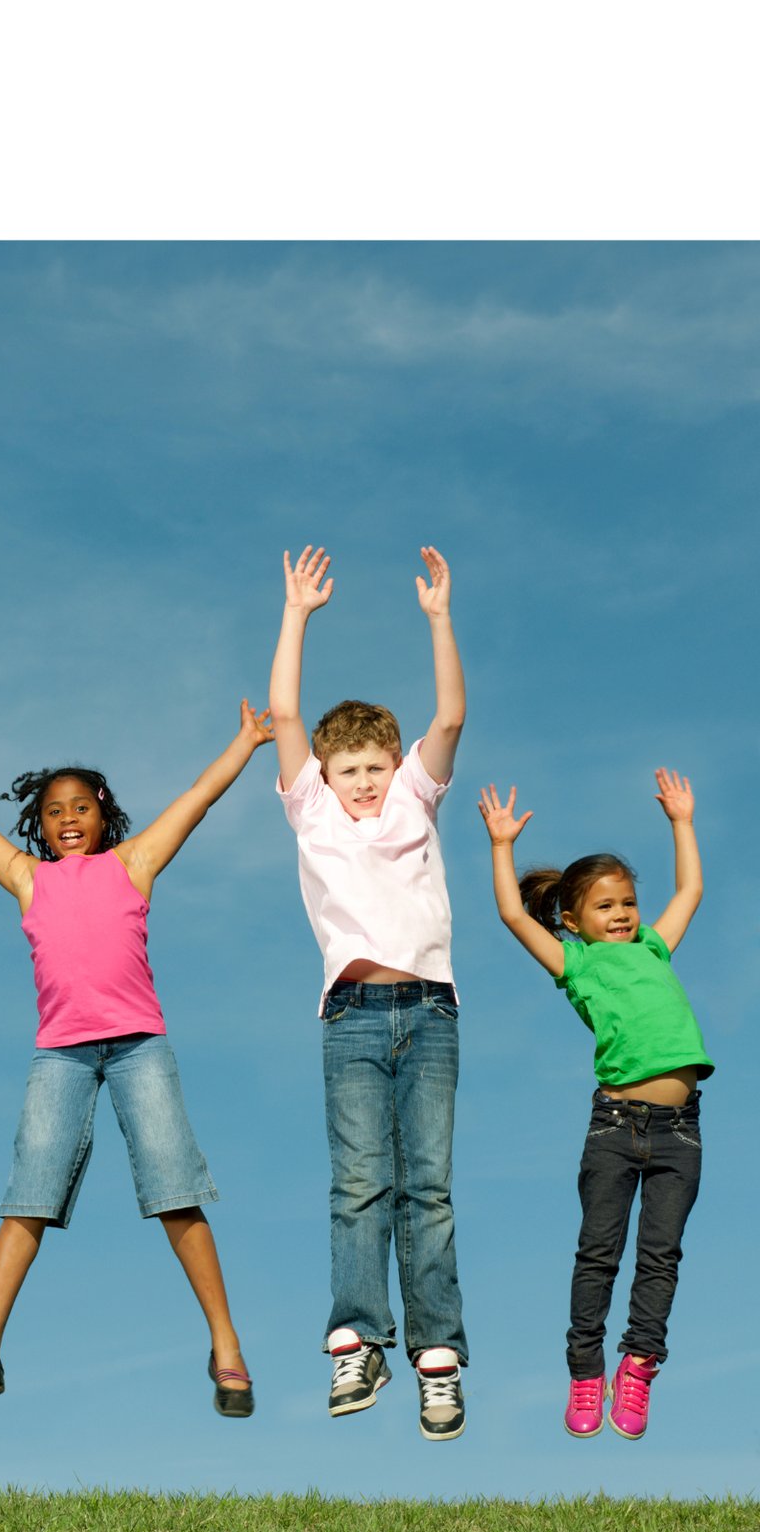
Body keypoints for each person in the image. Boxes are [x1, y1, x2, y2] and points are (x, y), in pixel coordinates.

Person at [0, 705, 272, 1418]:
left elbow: (197, 797)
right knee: (27, 1197)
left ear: (103, 814)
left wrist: (247, 742)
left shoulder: (134, 863)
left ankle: (226, 1346)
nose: (67, 819)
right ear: (38, 826)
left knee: (175, 1189)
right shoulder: (28, 878)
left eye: (80, 807)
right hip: (61, 1054)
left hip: (139, 1047)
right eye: (53, 812)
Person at [269, 544, 469, 1440]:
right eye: (346, 769)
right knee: (360, 1184)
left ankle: (438, 1357)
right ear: (323, 773)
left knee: (427, 1188)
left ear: (396, 764)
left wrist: (438, 618)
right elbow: (284, 711)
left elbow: (450, 714)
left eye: (374, 767)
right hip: (351, 1017)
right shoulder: (310, 809)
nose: (362, 782)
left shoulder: (415, 801)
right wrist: (297, 614)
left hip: (428, 1011)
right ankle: (357, 1340)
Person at [478, 769, 707, 1440]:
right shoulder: (575, 964)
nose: (623, 914)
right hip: (614, 1128)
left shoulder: (654, 948)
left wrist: (682, 822)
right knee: (599, 1253)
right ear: (574, 921)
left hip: (680, 1133)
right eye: (605, 906)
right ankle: (585, 1370)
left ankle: (639, 1364)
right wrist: (501, 847)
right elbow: (512, 915)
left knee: (661, 1255)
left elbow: (690, 891)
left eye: (628, 901)